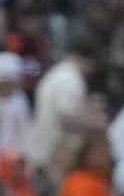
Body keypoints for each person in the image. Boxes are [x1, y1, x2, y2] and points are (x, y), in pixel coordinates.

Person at [28, 37, 105, 175]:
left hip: (48, 151)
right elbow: (65, 118)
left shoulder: (58, 73)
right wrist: (95, 123)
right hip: (53, 155)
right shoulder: (69, 78)